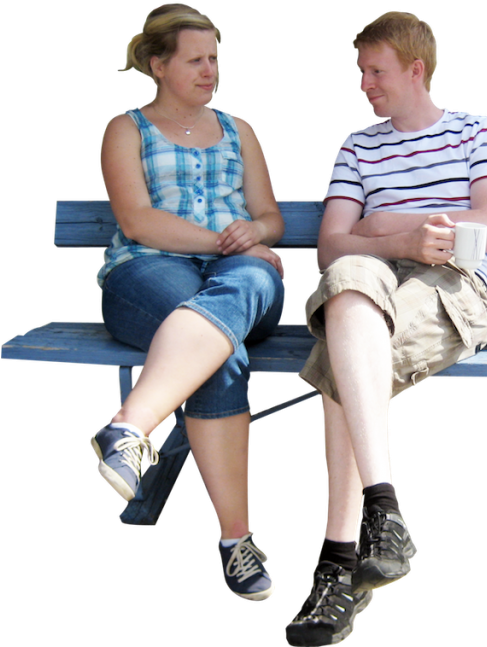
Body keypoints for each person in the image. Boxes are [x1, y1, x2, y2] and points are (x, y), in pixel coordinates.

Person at [284, 10, 487, 646]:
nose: (364, 84)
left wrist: (387, 225)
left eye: (375, 71)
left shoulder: (478, 131)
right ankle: (384, 510)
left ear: (416, 70)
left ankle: (337, 561)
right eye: (361, 71)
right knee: (347, 284)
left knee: (343, 360)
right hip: (370, 279)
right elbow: (332, 247)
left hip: (453, 284)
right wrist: (398, 241)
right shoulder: (358, 147)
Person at [92, 3, 285, 603]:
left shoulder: (239, 130)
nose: (210, 71)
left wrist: (255, 236)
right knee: (217, 349)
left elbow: (270, 217)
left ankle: (129, 427)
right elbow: (138, 221)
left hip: (239, 275)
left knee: (248, 279)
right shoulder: (126, 129)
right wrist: (225, 240)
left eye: (215, 60)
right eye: (195, 60)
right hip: (148, 269)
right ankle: (237, 542)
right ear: (158, 64)